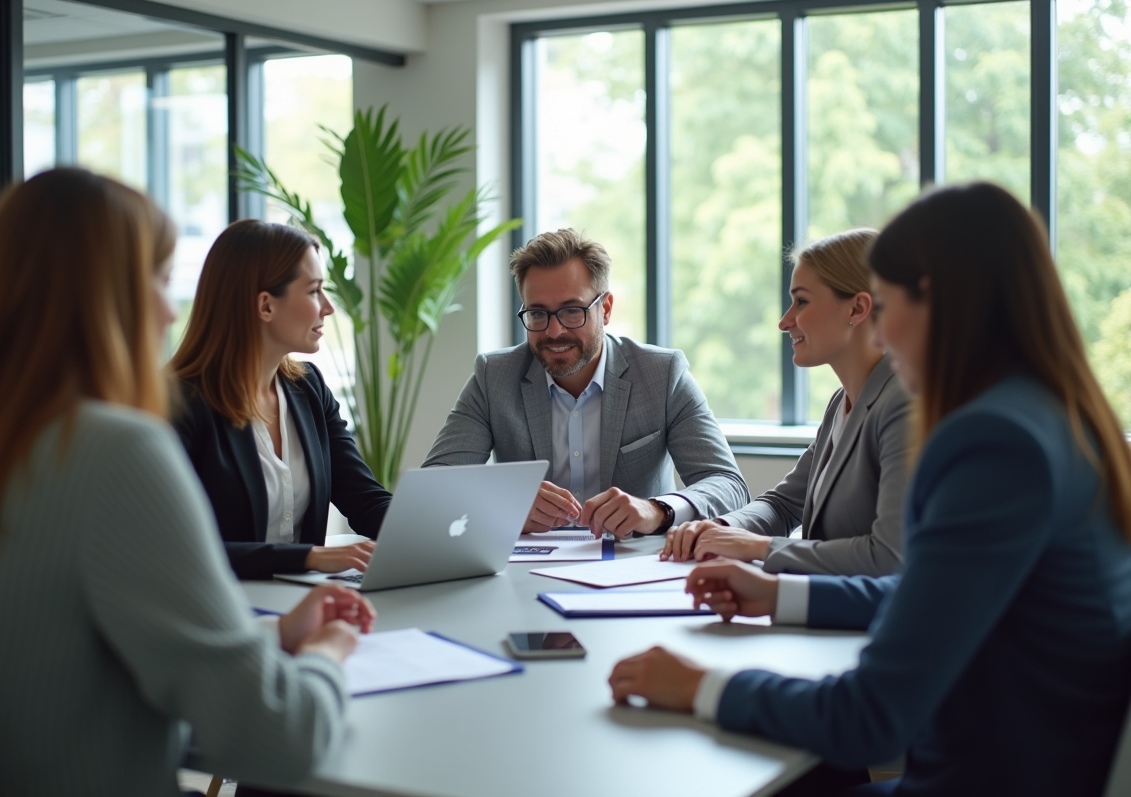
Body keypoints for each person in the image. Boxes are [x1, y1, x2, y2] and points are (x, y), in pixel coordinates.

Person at [608, 182, 1131, 796]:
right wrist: (778, 597)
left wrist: (699, 686)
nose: (878, 333)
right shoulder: (1055, 417)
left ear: (935, 299)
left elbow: (869, 719)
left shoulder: (991, 444)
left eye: (883, 304)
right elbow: (935, 596)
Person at [0, 168, 375, 796]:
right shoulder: (117, 451)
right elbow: (279, 737)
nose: (171, 308)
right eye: (161, 281)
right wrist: (327, 652)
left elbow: (71, 667)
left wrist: (272, 634)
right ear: (101, 298)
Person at [423, 228, 749, 538]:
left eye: (571, 311)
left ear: (605, 309)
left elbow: (729, 485)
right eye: (538, 314)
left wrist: (657, 510)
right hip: (524, 572)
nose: (553, 332)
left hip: (634, 570)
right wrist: (505, 503)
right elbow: (433, 488)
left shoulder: (662, 374)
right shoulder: (493, 377)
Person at [661, 229, 909, 576]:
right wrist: (719, 528)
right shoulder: (843, 402)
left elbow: (888, 557)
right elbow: (781, 505)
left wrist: (757, 547)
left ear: (858, 307)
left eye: (802, 301)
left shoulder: (905, 405)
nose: (784, 321)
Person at [170, 220, 390, 580]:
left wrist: (442, 529)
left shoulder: (308, 388)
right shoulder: (180, 403)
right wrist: (308, 558)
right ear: (265, 306)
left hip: (303, 604)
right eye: (315, 291)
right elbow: (177, 547)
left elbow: (365, 500)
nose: (328, 307)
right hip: (220, 609)